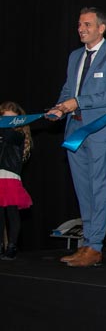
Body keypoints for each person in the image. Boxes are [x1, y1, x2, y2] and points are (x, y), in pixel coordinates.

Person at [47, 7, 106, 267]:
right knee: (83, 190)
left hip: (100, 133)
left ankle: (95, 246)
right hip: (74, 131)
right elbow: (67, 89)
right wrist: (60, 108)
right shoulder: (74, 56)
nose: (81, 29)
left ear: (101, 28)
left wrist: (77, 102)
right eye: (79, 24)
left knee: (98, 187)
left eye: (87, 24)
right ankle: (86, 244)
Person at [0, 102, 34, 261]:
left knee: (12, 213)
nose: (7, 123)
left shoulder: (17, 135)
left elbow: (8, 135)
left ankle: (12, 246)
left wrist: (4, 125)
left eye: (11, 120)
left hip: (9, 177)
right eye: (4, 119)